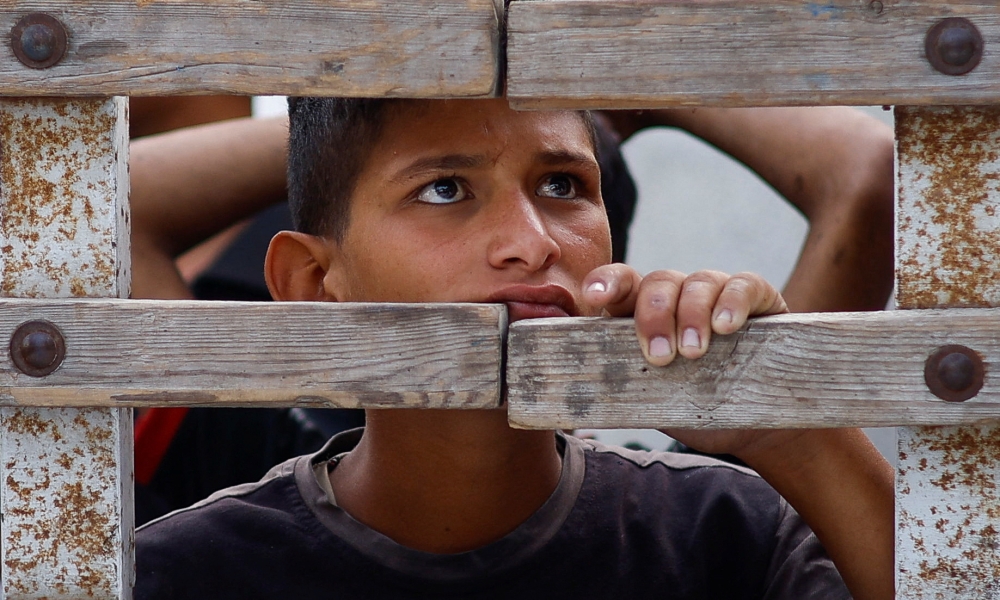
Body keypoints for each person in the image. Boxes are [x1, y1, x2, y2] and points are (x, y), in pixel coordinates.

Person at [134, 97, 893, 599]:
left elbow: (871, 170)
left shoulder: (728, 530)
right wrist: (366, 88)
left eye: (564, 184)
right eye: (443, 190)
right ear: (313, 281)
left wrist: (799, 431)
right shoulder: (180, 570)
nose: (531, 245)